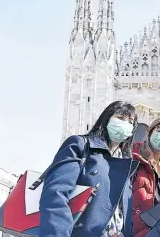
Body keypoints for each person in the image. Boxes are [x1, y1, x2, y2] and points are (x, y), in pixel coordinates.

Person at [39, 101, 139, 237]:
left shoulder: (126, 164)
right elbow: (55, 194)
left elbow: (124, 214)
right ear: (107, 119)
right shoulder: (80, 145)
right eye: (120, 118)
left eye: (130, 121)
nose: (124, 124)